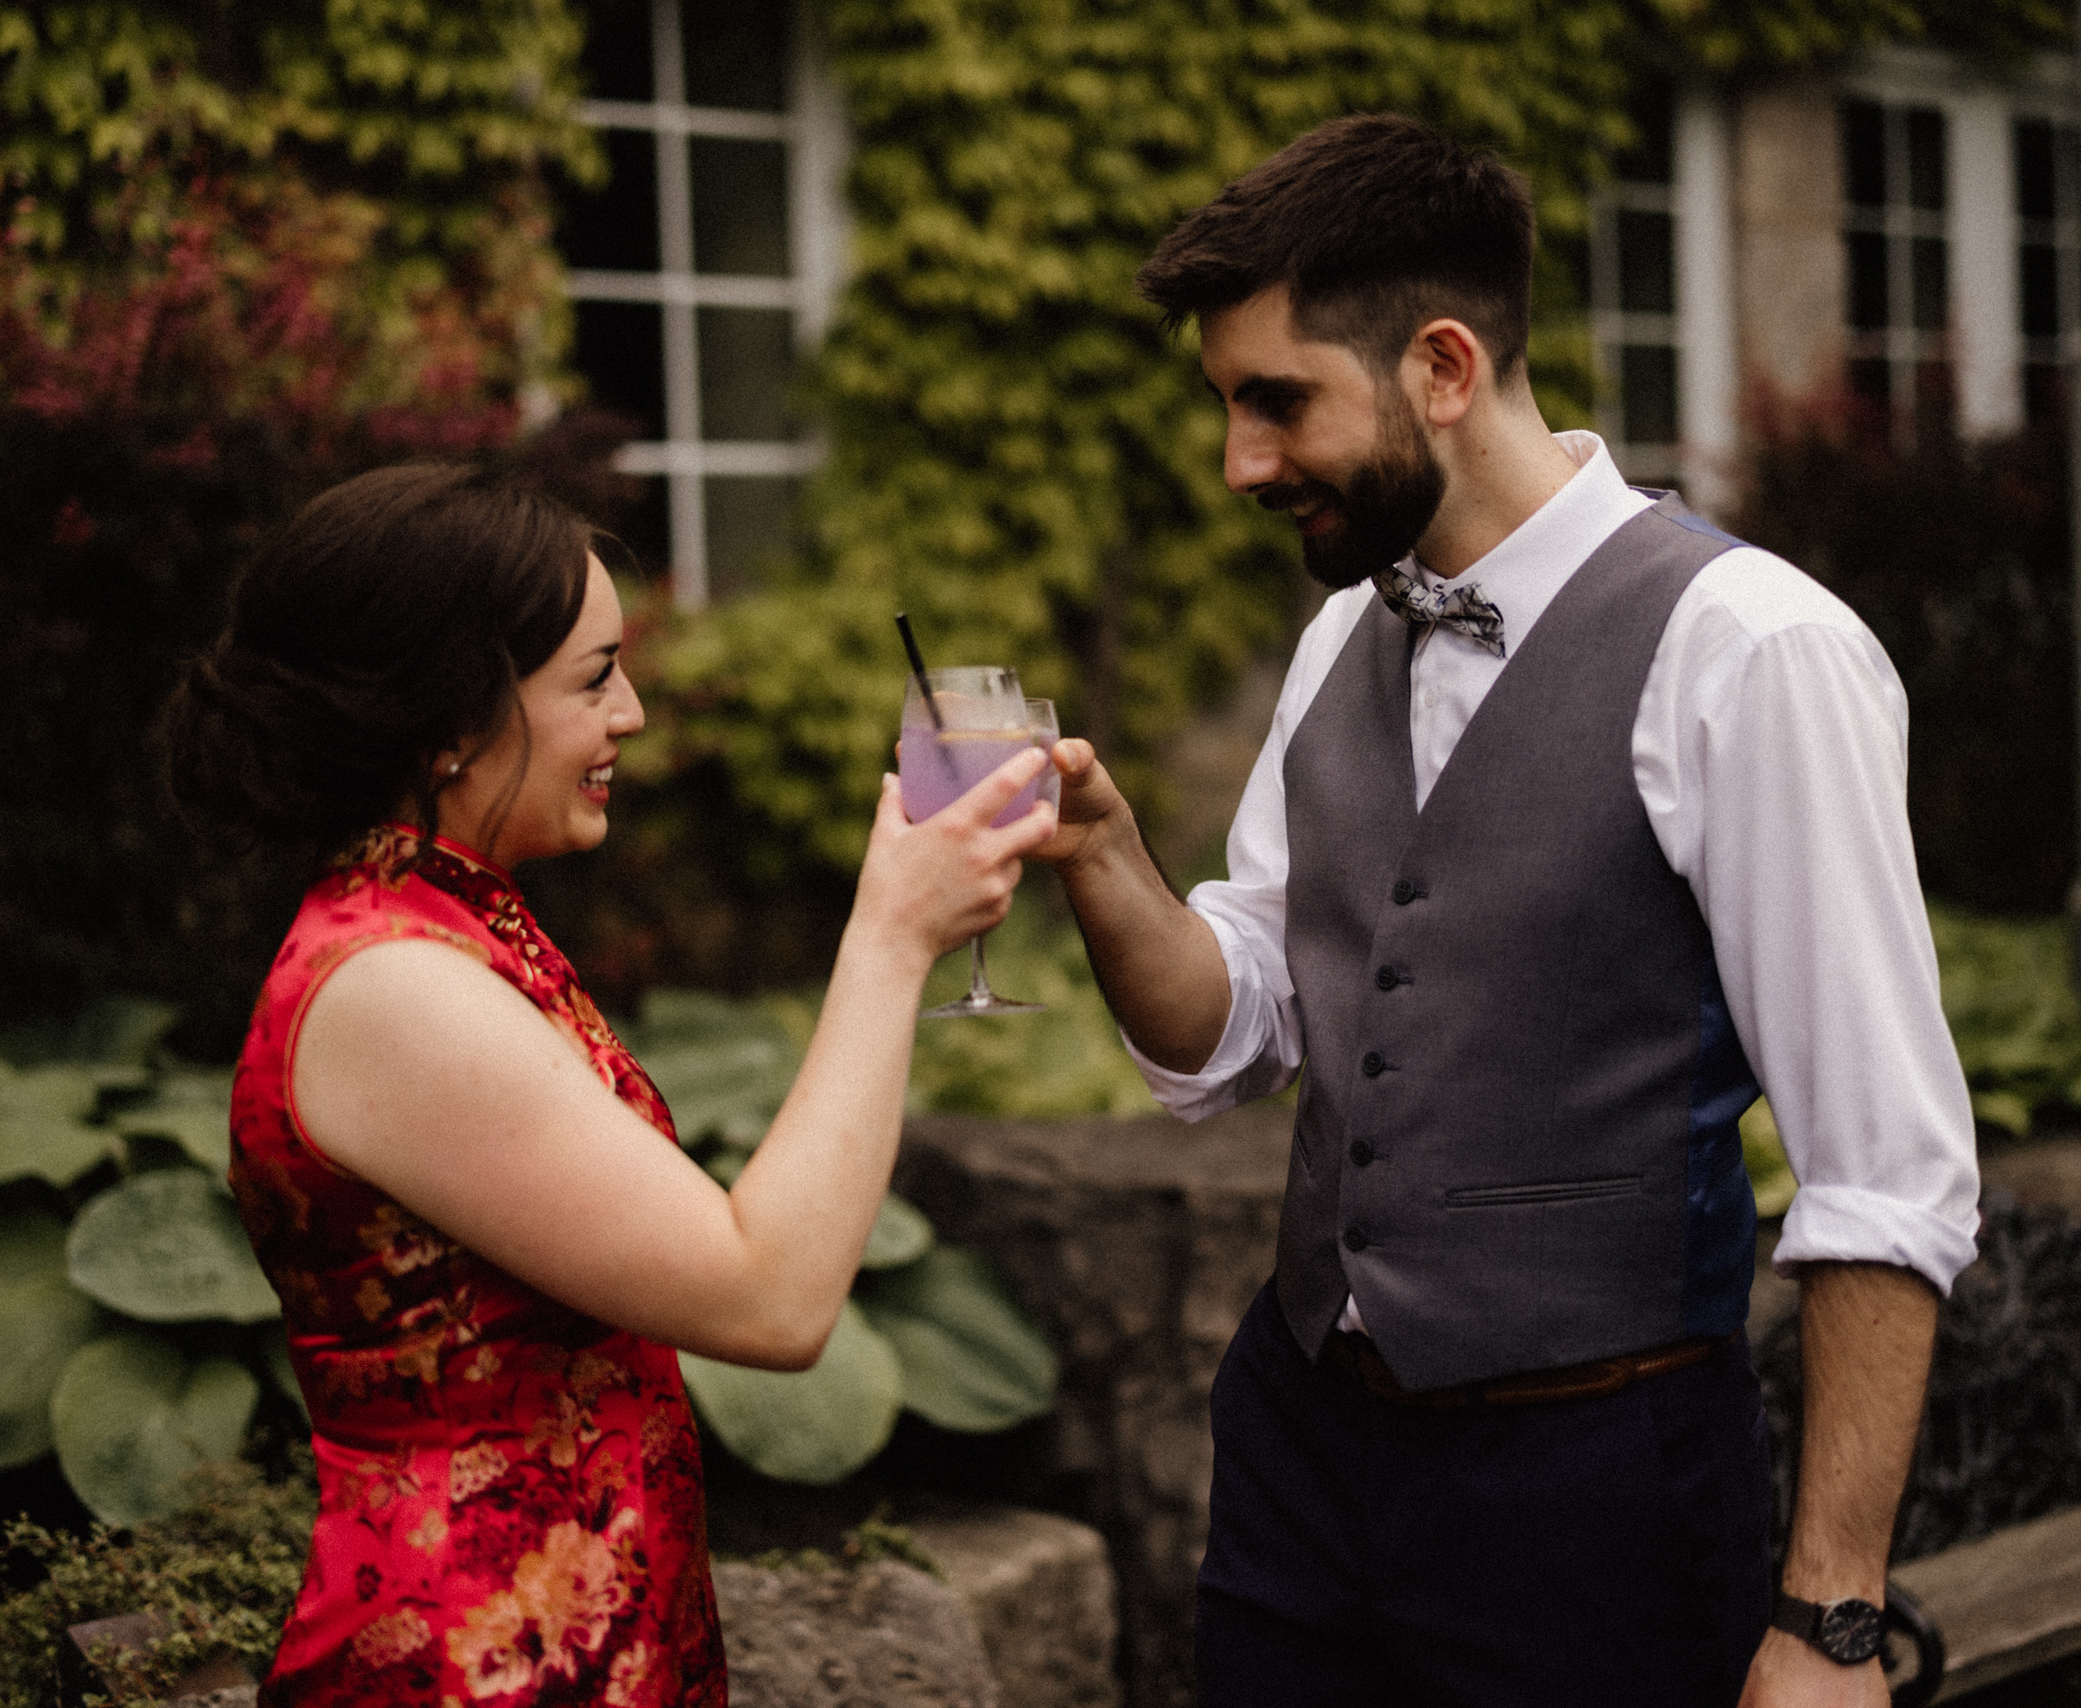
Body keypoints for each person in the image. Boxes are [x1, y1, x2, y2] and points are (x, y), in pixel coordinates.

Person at [1032, 115, 1981, 1706]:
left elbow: (1886, 1174)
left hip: (1593, 1500)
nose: (1239, 465)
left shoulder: (1751, 648)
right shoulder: (1345, 636)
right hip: (1298, 1463)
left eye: (1277, 403)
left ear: (1445, 368)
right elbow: (1236, 1034)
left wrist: (1831, 1619)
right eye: (1227, 408)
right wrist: (1103, 856)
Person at [164, 460, 1054, 1707]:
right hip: (469, 1667)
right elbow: (770, 1298)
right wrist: (892, 937)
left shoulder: (446, 927)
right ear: (449, 722)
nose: (631, 712)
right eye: (593, 678)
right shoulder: (391, 989)